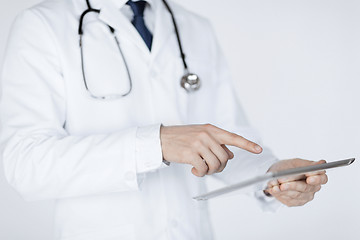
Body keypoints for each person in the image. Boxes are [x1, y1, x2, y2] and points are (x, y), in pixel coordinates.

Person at [0, 0, 328, 239]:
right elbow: (25, 163)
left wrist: (273, 176)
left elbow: (227, 139)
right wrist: (154, 144)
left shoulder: (193, 26)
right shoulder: (43, 25)